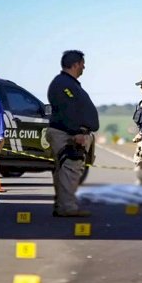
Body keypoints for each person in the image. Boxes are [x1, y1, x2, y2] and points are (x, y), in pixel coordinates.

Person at [46, 50, 99, 217]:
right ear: (75, 64)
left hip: (70, 132)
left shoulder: (69, 83)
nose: (84, 67)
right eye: (82, 63)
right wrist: (78, 132)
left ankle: (63, 205)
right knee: (70, 170)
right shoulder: (63, 84)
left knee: (66, 171)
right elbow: (67, 111)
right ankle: (67, 207)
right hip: (68, 134)